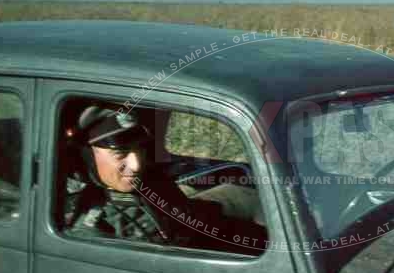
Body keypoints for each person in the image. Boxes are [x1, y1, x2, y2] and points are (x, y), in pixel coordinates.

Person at [64, 104, 267, 254]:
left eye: (140, 151)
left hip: (191, 233)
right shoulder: (84, 222)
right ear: (87, 156)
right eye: (121, 154)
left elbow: (187, 217)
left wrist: (263, 241)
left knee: (252, 200)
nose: (137, 165)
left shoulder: (148, 180)